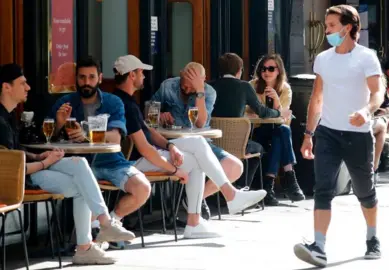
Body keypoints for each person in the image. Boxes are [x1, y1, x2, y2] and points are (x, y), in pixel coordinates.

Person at [112, 55, 267, 238]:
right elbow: (145, 143)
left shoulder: (128, 102)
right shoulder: (125, 103)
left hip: (165, 148)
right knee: (198, 151)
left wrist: (169, 146)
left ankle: (195, 221)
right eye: (141, 73)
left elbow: (151, 129)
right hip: (137, 161)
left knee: (199, 151)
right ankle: (226, 198)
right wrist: (173, 169)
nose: (144, 76)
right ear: (131, 75)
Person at [0, 63, 135, 265]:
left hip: (31, 168)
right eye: (23, 83)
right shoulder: (1, 122)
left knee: (80, 163)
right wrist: (45, 163)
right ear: (6, 87)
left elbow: (14, 154)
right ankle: (86, 246)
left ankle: (103, 224)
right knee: (82, 185)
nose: (28, 87)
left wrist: (38, 156)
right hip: (20, 180)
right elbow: (9, 168)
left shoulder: (9, 116)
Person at [293, 5, 383, 267]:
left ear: (348, 27)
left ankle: (372, 238)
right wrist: (309, 134)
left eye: (331, 25)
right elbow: (317, 98)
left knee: (365, 191)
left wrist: (366, 111)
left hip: (358, 135)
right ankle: (319, 247)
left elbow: (378, 94)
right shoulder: (323, 59)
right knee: (323, 190)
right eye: (326, 25)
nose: (327, 30)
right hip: (328, 134)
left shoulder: (367, 58)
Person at [49, 57, 151, 249]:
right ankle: (95, 233)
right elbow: (49, 137)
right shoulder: (64, 102)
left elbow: (116, 138)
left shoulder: (113, 102)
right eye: (82, 77)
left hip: (111, 161)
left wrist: (86, 134)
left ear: (100, 78)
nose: (86, 82)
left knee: (143, 188)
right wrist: (59, 124)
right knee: (87, 182)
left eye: (91, 77)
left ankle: (110, 223)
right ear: (76, 79)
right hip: (80, 163)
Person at [151, 62, 244, 217]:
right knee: (196, 160)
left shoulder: (209, 92)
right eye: (184, 85)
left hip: (201, 142)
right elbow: (150, 111)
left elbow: (200, 123)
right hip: (173, 143)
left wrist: (199, 91)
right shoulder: (168, 86)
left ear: (203, 80)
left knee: (235, 167)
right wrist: (160, 115)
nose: (187, 90)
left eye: (191, 87)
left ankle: (192, 199)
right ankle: (197, 204)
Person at [210, 53, 292, 205]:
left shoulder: (209, 86)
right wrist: (279, 112)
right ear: (239, 70)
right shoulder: (245, 86)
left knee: (279, 134)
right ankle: (242, 188)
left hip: (212, 144)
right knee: (258, 149)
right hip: (237, 145)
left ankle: (219, 193)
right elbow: (263, 112)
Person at [248, 54, 305, 205]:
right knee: (283, 133)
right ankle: (289, 179)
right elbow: (248, 110)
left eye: (271, 68)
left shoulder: (285, 89)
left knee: (281, 134)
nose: (266, 72)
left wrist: (276, 100)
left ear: (279, 71)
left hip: (277, 130)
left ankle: (268, 188)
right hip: (257, 131)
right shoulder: (252, 86)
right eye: (263, 69)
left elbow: (283, 118)